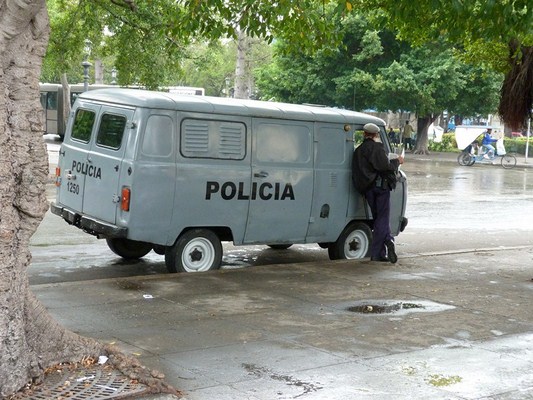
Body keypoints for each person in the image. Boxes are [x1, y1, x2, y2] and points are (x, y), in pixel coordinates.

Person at [352, 123, 404, 263]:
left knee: (377, 218)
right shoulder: (377, 148)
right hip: (381, 188)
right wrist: (397, 161)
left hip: (367, 189)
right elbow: (385, 167)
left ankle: (381, 252)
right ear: (375, 135)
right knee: (382, 218)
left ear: (364, 134)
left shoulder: (358, 151)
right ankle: (384, 246)